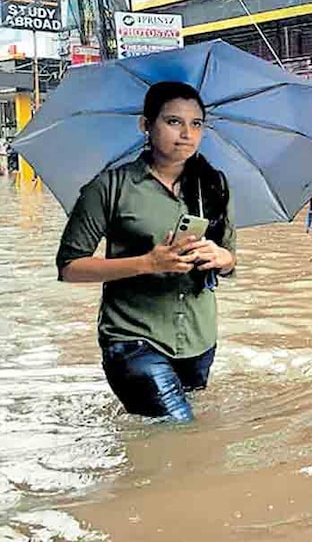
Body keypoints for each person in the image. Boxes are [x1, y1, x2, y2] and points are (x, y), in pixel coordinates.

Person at [55, 82, 236, 422]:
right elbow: (69, 267)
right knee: (180, 431)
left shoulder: (214, 185)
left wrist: (222, 258)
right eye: (173, 122)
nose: (186, 134)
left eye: (196, 124)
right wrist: (146, 263)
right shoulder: (109, 186)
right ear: (145, 125)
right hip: (132, 337)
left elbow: (229, 257)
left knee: (169, 440)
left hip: (199, 340)